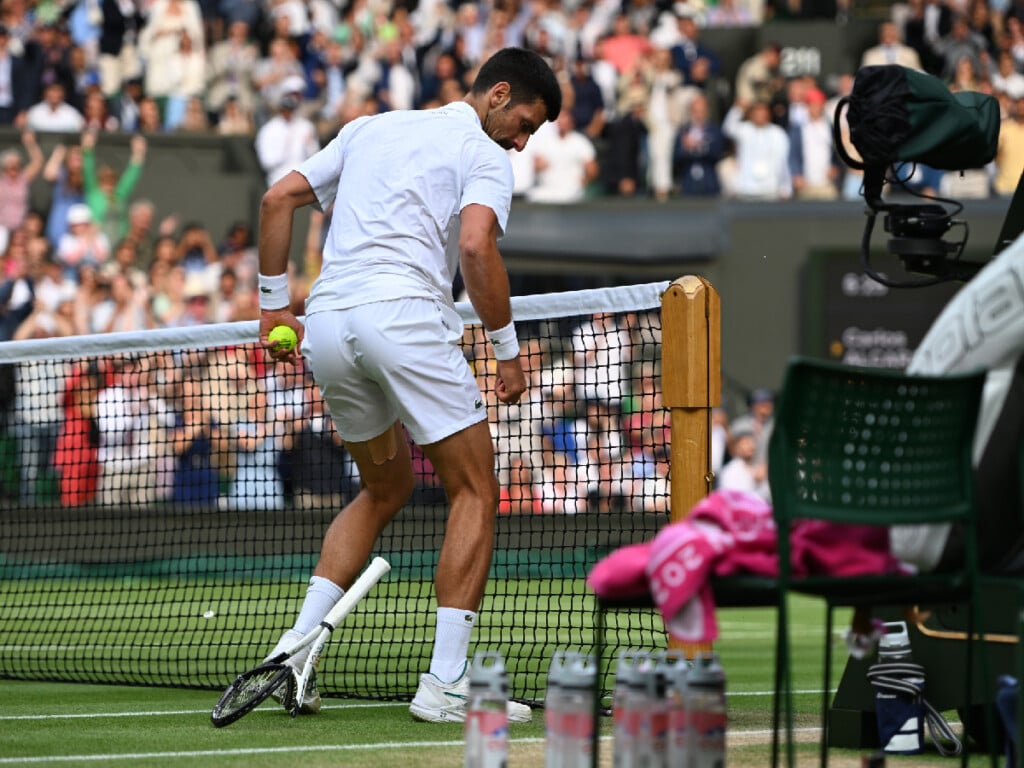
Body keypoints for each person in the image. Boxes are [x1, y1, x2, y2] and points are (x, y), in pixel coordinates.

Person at [254, 46, 560, 723]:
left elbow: (279, 199)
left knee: (385, 487)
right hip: (404, 319)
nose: (522, 140)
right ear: (498, 94)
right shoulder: (484, 153)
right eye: (526, 123)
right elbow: (477, 248)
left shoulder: (372, 127)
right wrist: (507, 353)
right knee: (476, 488)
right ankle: (446, 681)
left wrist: (275, 304)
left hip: (328, 326)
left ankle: (294, 649)